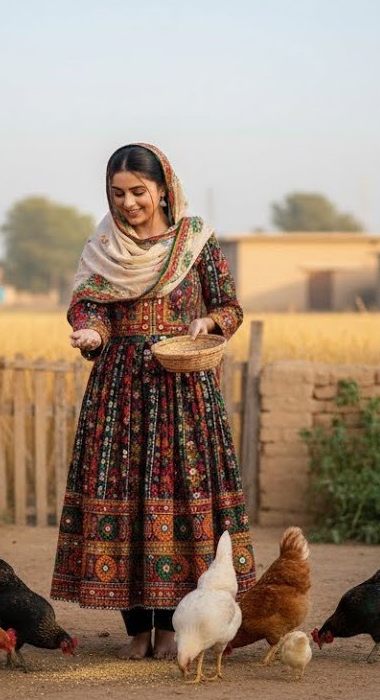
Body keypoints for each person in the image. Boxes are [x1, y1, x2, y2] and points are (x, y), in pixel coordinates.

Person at [51, 143, 256, 661]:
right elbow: (88, 307)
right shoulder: (104, 246)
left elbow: (228, 307)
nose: (128, 204)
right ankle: (137, 631)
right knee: (124, 502)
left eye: (138, 192)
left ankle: (171, 628)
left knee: (177, 501)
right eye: (117, 194)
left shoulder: (196, 242)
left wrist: (208, 324)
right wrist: (91, 334)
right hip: (119, 395)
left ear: (163, 188)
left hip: (182, 394)